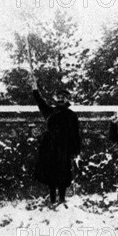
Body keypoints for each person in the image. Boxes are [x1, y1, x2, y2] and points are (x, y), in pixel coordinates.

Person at [30, 77, 81, 205]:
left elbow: (76, 134)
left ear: (68, 99)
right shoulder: (50, 112)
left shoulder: (71, 115)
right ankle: (53, 200)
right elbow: (40, 102)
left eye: (63, 96)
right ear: (55, 99)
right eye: (58, 96)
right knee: (51, 174)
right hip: (50, 147)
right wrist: (35, 90)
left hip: (64, 148)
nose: (60, 98)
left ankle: (62, 199)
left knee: (63, 174)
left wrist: (75, 150)